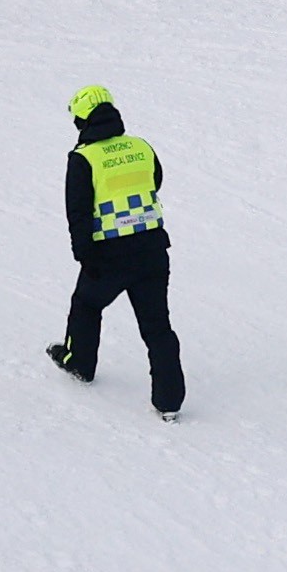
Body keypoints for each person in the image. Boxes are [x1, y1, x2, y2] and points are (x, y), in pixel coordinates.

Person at [45, 86, 185, 421]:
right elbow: (156, 181)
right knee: (157, 326)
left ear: (82, 120)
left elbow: (77, 213)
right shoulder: (140, 146)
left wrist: (84, 256)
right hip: (152, 249)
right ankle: (169, 402)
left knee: (86, 304)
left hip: (109, 254)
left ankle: (79, 363)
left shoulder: (84, 158)